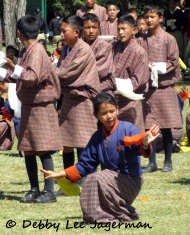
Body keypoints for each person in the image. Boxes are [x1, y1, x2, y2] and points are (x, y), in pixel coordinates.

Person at [41, 92, 159, 223]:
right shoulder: (97, 137)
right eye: (103, 113)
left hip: (130, 180)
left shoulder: (129, 129)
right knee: (92, 178)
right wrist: (59, 174)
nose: (109, 116)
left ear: (117, 110)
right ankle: (97, 216)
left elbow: (140, 150)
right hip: (107, 182)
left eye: (112, 111)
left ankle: (122, 213)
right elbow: (84, 165)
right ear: (96, 115)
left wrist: (145, 144)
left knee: (97, 177)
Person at [0, 15, 62, 203]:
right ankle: (34, 188)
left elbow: (31, 77)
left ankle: (49, 191)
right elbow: (23, 76)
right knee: (28, 148)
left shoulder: (36, 51)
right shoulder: (29, 50)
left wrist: (12, 66)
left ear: (19, 33)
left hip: (40, 107)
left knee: (43, 149)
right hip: (29, 105)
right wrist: (7, 72)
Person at [139, 5, 182, 173]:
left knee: (166, 125)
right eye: (147, 17)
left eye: (152, 17)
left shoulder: (168, 39)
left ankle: (168, 160)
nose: (149, 20)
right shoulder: (142, 39)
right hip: (148, 88)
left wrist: (156, 67)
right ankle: (151, 162)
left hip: (164, 86)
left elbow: (173, 61)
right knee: (149, 126)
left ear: (160, 19)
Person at [56, 15, 101, 171]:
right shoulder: (67, 49)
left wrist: (48, 73)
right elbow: (62, 70)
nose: (61, 35)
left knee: (84, 141)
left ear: (76, 32)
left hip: (83, 99)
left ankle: (85, 177)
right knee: (67, 142)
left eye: (64, 31)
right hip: (68, 99)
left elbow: (67, 71)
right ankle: (69, 178)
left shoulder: (83, 49)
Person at [113, 15, 150, 133]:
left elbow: (138, 80)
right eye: (119, 29)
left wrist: (116, 84)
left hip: (131, 102)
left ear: (134, 30)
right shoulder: (114, 47)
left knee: (132, 139)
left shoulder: (139, 52)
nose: (121, 32)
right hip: (114, 101)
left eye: (124, 29)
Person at [82, 13, 115, 93]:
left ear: (99, 29)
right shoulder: (77, 45)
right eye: (87, 28)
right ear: (81, 29)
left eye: (94, 27)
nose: (91, 31)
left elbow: (100, 71)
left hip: (101, 86)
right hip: (80, 87)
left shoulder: (105, 47)